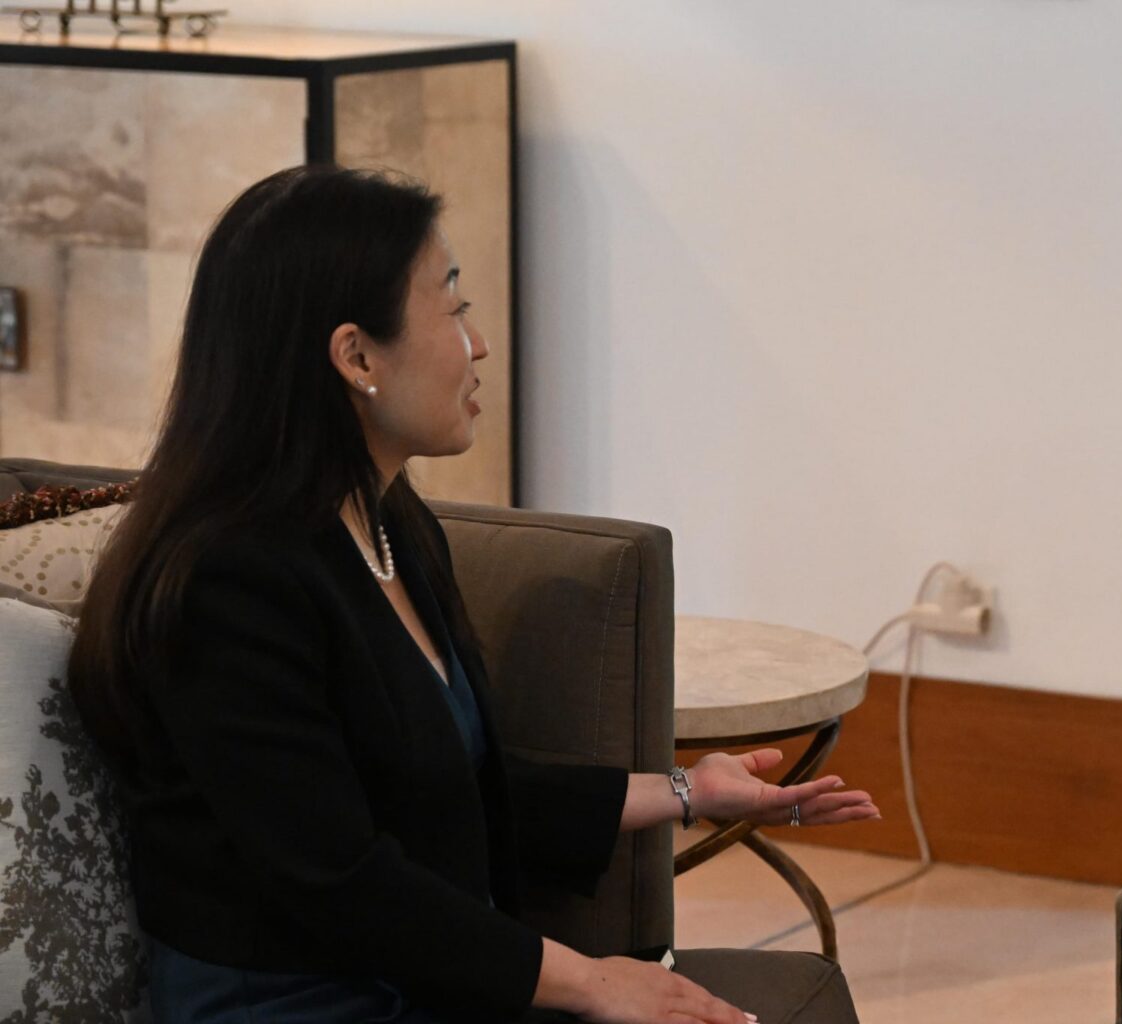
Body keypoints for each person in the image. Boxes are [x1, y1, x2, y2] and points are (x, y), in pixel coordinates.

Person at [67, 164, 879, 1024]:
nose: (479, 342)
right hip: (302, 1003)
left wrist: (688, 792)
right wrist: (593, 981)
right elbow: (339, 879)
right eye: (452, 308)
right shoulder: (228, 585)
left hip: (421, 980)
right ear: (355, 355)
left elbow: (446, 789)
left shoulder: (390, 523)